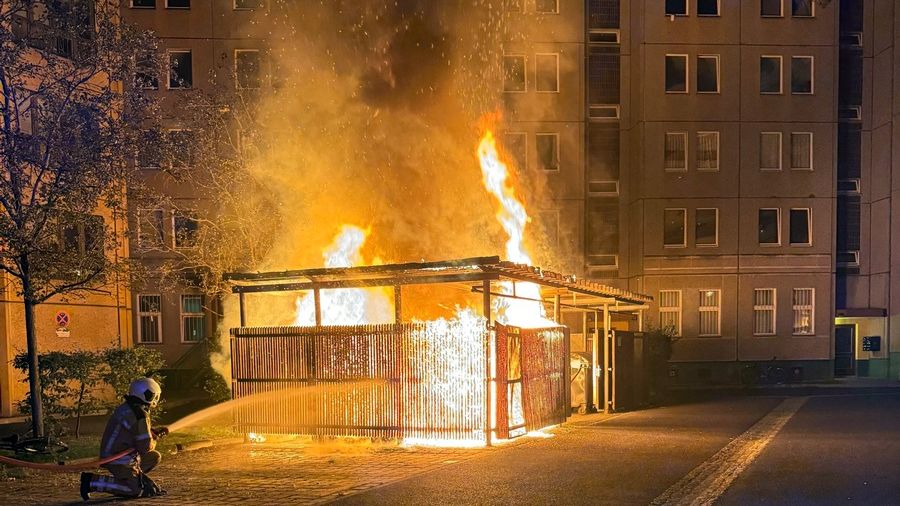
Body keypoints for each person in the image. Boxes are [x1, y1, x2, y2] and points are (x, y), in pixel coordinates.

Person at [80, 377, 169, 501]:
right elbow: (145, 447)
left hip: (120, 455)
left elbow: (134, 432)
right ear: (149, 395)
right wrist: (155, 439)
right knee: (134, 490)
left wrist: (152, 432)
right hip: (117, 459)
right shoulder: (139, 415)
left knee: (154, 457)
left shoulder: (129, 408)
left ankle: (134, 478)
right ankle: (92, 482)